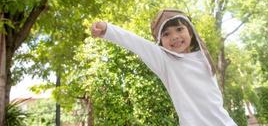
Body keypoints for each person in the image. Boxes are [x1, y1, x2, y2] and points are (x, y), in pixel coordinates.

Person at [91, 9, 237, 126]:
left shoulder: (204, 58)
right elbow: (136, 43)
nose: (174, 36)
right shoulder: (165, 61)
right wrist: (108, 30)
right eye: (166, 34)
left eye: (179, 29)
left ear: (190, 32)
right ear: (160, 41)